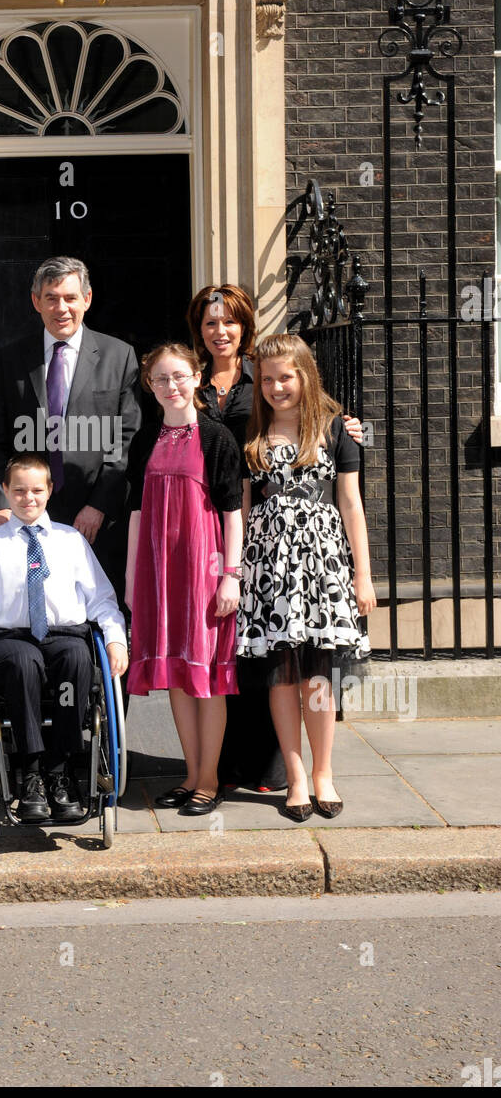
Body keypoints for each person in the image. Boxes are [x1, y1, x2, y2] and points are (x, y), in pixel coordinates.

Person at [186, 283, 365, 794]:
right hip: (220, 536)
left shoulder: (260, 379)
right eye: (209, 323)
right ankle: (217, 770)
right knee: (243, 660)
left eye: (229, 321)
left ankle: (282, 771)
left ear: (245, 326)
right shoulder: (189, 382)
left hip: (292, 549)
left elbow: (347, 493)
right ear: (199, 331)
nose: (220, 331)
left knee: (296, 668)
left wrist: (348, 427)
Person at [237, 333, 376, 821]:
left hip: (324, 571)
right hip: (269, 573)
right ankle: (294, 777)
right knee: (281, 674)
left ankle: (324, 774)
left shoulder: (336, 429)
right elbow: (243, 511)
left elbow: (352, 505)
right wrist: (234, 574)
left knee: (318, 674)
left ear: (305, 375)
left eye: (286, 377)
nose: (277, 387)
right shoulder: (252, 436)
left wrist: (363, 576)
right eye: (268, 379)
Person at [0, 453, 128, 823]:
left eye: (36, 491)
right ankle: (30, 773)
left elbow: (103, 601)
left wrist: (115, 639)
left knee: (77, 659)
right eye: (19, 491)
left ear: (49, 491)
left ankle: (60, 773)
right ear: (5, 492)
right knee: (21, 664)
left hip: (64, 634)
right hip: (9, 636)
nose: (28, 498)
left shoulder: (70, 540)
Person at [125, 344, 243, 817]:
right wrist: (133, 580)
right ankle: (191, 774)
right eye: (159, 379)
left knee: (208, 677)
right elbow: (135, 513)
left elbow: (233, 515)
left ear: (197, 378)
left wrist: (229, 578)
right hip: (159, 573)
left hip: (204, 571)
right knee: (177, 674)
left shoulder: (217, 438)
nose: (170, 386)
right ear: (149, 386)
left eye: (178, 376)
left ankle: (210, 780)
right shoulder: (144, 439)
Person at [0, 256, 141, 589]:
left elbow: (125, 439)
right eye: (51, 298)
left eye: (70, 297)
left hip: (96, 519)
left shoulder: (119, 356)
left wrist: (99, 504)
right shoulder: (10, 359)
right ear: (36, 301)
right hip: (26, 511)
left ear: (87, 299)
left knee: (95, 612)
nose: (61, 308)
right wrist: (3, 505)